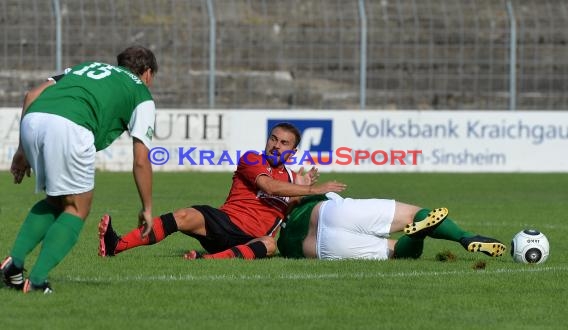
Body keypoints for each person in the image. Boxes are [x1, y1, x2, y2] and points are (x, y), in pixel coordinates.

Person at [1, 46, 159, 294]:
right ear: (148, 73)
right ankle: (38, 281)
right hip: (71, 127)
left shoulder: (88, 67)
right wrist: (147, 208)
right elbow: (141, 159)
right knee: (77, 207)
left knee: (56, 201)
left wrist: (21, 150)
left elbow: (31, 95)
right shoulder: (141, 93)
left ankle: (13, 267)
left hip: (34, 119)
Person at [98, 122, 347, 261]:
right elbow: (268, 186)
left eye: (283, 143)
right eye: (273, 139)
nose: (275, 145)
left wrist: (301, 192)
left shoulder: (293, 179)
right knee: (184, 215)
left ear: (292, 152)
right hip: (224, 222)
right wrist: (312, 188)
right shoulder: (252, 159)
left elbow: (285, 212)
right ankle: (116, 245)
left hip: (250, 238)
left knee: (270, 244)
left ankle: (207, 261)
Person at [277, 192, 506, 260]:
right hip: (328, 213)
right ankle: (465, 237)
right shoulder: (297, 193)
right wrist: (306, 188)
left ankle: (418, 236)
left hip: (314, 249)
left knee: (398, 252)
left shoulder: (276, 238)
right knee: (414, 214)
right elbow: (289, 191)